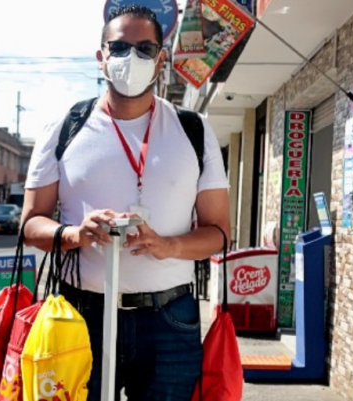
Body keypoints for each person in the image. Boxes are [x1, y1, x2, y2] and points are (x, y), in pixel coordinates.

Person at [21, 6, 230, 401]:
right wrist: (74, 233)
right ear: (100, 56)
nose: (129, 59)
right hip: (80, 316)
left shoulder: (193, 130)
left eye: (144, 48)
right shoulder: (65, 127)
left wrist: (170, 246)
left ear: (161, 59)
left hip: (170, 319)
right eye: (118, 47)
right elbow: (31, 224)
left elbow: (219, 233)